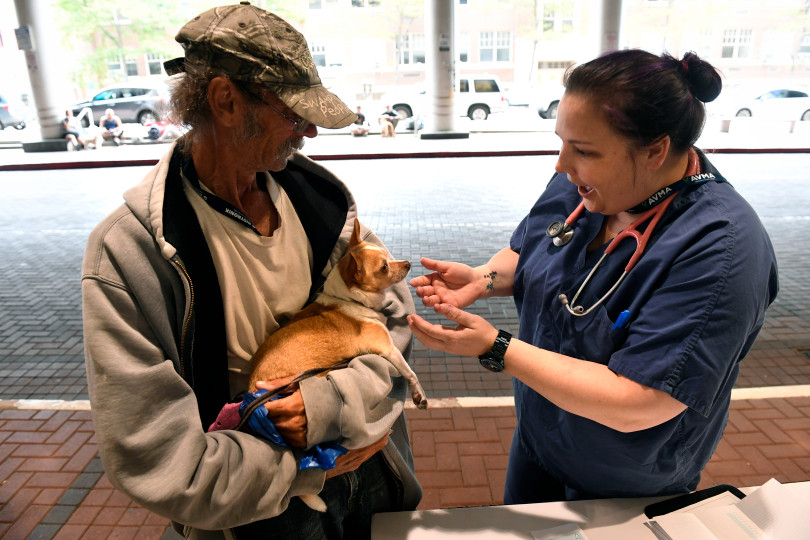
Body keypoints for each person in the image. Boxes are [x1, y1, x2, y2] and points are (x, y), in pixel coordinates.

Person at [81, 4, 421, 538]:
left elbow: (395, 322)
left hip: (375, 474)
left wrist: (328, 408)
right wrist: (303, 469)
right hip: (256, 510)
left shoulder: (319, 202)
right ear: (226, 101)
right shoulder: (128, 254)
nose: (310, 131)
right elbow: (154, 454)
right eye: (293, 112)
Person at [407, 50, 778, 503]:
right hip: (541, 439)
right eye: (563, 142)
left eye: (582, 150)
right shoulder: (587, 184)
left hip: (623, 480)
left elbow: (640, 401)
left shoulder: (722, 248)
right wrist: (483, 277)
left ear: (655, 150)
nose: (561, 165)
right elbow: (531, 249)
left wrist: (497, 348)